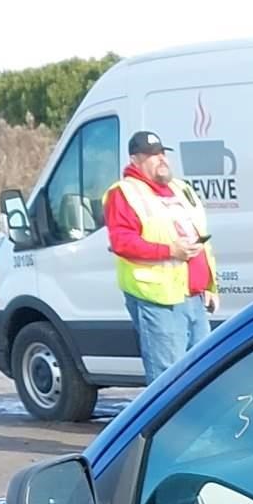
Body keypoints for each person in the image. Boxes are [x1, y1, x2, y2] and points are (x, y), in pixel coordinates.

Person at [103, 130, 218, 382]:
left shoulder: (180, 189)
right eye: (152, 155)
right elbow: (122, 242)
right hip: (158, 300)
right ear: (135, 160)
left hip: (194, 298)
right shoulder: (124, 192)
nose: (161, 159)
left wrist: (209, 284)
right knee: (169, 381)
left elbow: (201, 235)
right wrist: (170, 251)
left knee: (205, 375)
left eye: (163, 153)